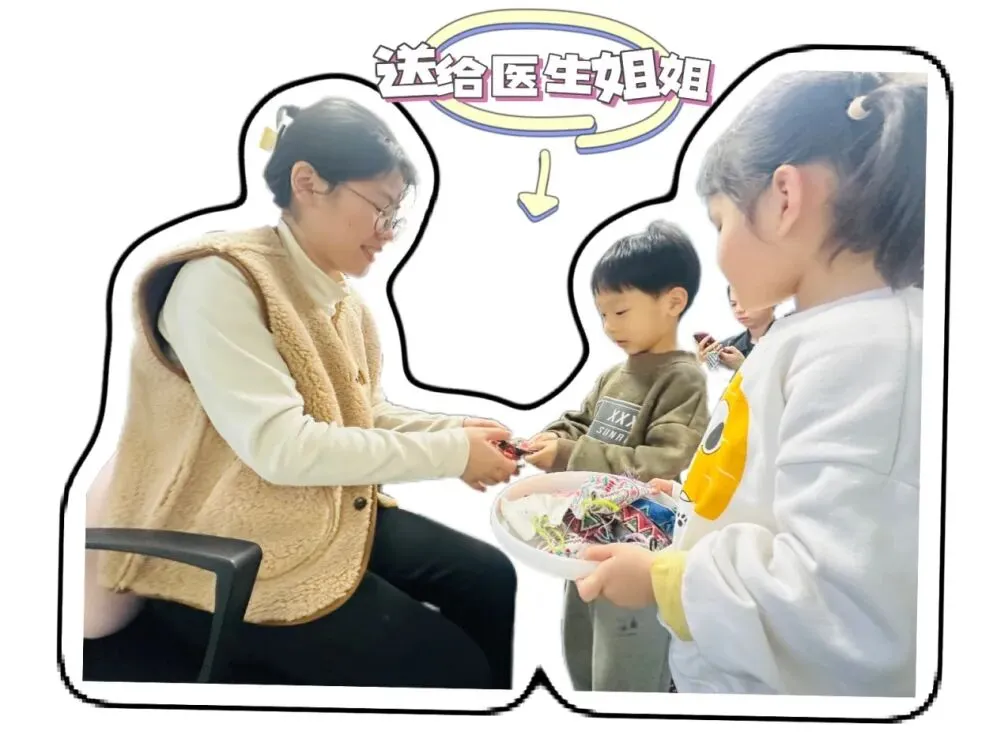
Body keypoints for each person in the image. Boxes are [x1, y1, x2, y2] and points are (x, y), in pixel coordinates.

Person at [94, 97, 521, 689]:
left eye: (396, 214)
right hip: (222, 547)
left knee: (490, 577)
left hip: (309, 516)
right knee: (454, 669)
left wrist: (457, 434)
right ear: (307, 183)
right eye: (381, 207)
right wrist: (451, 454)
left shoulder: (340, 300)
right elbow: (282, 447)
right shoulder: (219, 280)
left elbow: (360, 413)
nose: (389, 232)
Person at [574, 71, 927, 697]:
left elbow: (846, 603)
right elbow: (767, 485)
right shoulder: (814, 334)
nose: (718, 250)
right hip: (721, 666)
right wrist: (687, 506)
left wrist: (664, 581)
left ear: (784, 197)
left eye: (720, 222)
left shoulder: (869, 349)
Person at [522, 219, 710, 693]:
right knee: (581, 650)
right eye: (602, 314)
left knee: (625, 672)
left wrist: (569, 453)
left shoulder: (683, 379)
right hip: (587, 540)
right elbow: (580, 422)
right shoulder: (613, 376)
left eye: (621, 311)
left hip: (638, 555)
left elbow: (663, 461)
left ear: (673, 302)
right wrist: (547, 440)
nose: (609, 326)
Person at [696, 284, 777, 372]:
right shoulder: (727, 346)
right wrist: (700, 363)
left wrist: (743, 367)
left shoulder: (786, 343)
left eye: (746, 302)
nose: (738, 310)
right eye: (733, 304)